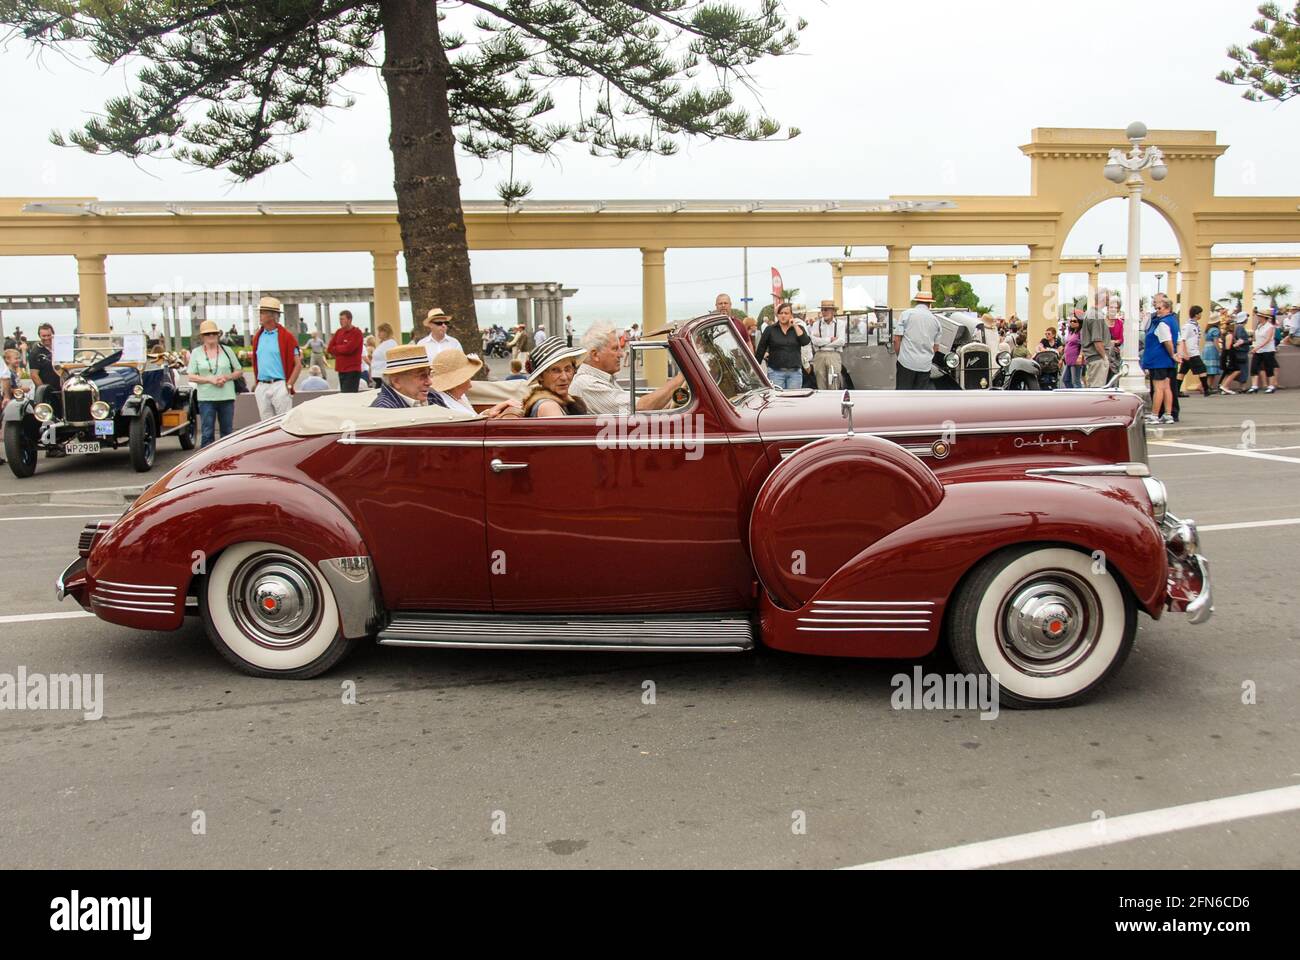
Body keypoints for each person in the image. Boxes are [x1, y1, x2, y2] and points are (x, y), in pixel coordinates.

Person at [569, 322, 684, 415]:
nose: (622, 354)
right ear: (595, 355)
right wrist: (681, 377)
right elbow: (641, 408)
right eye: (615, 349)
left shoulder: (601, 380)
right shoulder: (587, 384)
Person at [186, 319, 241, 446]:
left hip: (226, 397)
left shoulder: (227, 350)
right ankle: (206, 463)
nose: (211, 336)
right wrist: (209, 379)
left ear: (218, 335)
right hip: (206, 398)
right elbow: (191, 376)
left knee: (227, 433)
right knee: (207, 433)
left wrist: (226, 377)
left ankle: (227, 461)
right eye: (207, 334)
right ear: (202, 337)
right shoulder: (196, 352)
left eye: (213, 333)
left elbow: (239, 370)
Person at [251, 296, 301, 420]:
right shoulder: (258, 336)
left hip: (280, 385)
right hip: (262, 386)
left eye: (262, 313)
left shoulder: (287, 337)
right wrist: (256, 384)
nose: (260, 316)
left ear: (272, 316)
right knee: (265, 426)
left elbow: (298, 365)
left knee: (283, 423)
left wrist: (289, 386)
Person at [755, 302, 811, 390]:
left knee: (794, 400)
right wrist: (755, 368)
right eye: (781, 313)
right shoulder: (770, 330)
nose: (783, 316)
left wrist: (795, 326)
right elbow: (761, 349)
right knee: (778, 400)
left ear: (791, 315)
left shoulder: (798, 328)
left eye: (786, 313)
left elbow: (805, 341)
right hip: (775, 372)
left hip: (795, 373)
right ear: (777, 315)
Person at [893, 291, 942, 390]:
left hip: (906, 362)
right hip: (925, 366)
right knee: (920, 399)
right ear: (930, 304)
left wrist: (900, 355)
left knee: (902, 397)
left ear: (916, 302)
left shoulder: (906, 314)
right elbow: (935, 348)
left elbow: (897, 339)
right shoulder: (936, 321)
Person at [1142, 293, 1179, 424]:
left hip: (1159, 360)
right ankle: (1168, 414)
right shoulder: (1173, 321)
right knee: (1167, 387)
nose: (1157, 311)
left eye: (1159, 308)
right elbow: (1176, 340)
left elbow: (1167, 341)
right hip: (1167, 361)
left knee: (1158, 388)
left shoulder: (1162, 323)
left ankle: (1155, 414)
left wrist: (1172, 354)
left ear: (1167, 308)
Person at [809, 299, 846, 390]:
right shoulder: (816, 324)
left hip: (834, 354)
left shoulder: (840, 324)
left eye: (826, 310)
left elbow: (841, 341)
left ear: (833, 311)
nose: (824, 312)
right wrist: (830, 339)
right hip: (819, 355)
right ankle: (822, 403)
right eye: (822, 310)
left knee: (835, 381)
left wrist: (822, 344)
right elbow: (814, 341)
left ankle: (834, 403)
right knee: (820, 382)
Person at [326, 310, 364, 392]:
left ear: (349, 320)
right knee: (343, 393)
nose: (340, 321)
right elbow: (329, 348)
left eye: (342, 319)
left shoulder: (356, 333)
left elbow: (349, 349)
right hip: (341, 369)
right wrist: (342, 348)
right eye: (340, 319)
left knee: (349, 394)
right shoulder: (339, 332)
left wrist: (336, 348)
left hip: (352, 370)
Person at [1177, 305, 1211, 398]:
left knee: (1182, 372)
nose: (1201, 315)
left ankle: (1176, 390)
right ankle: (1206, 389)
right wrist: (1185, 353)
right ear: (1196, 314)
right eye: (1200, 313)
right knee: (1202, 369)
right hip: (1191, 353)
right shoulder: (1188, 326)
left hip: (1192, 351)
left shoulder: (1195, 326)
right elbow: (1182, 340)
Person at [1081, 290, 1113, 387]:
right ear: (1104, 299)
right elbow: (1097, 340)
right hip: (1097, 358)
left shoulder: (1090, 313)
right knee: (1097, 390)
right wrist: (1104, 357)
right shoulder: (1097, 316)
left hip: (1093, 358)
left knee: (1094, 388)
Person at [1247, 308, 1279, 394]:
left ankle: (1271, 386)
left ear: (1264, 317)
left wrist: (1257, 348)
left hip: (1267, 350)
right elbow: (1256, 338)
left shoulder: (1270, 327)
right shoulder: (1259, 326)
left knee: (1269, 368)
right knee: (1254, 367)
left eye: (1259, 316)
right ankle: (1254, 386)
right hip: (1258, 350)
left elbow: (1268, 339)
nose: (1258, 317)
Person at [1219, 313, 1251, 394]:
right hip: (1239, 354)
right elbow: (1231, 346)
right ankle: (1225, 386)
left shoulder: (1231, 332)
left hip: (1232, 354)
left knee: (1230, 371)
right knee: (1239, 370)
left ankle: (1224, 386)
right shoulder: (1239, 328)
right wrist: (1247, 341)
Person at [28, 322, 60, 391]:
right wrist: (44, 391)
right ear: (39, 336)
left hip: (62, 388)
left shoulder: (59, 347)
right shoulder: (35, 352)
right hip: (49, 392)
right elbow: (34, 375)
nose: (46, 338)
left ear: (53, 334)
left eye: (49, 335)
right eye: (44, 336)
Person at [1202, 318, 1222, 392]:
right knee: (1212, 371)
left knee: (1207, 370)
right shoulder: (1215, 330)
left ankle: (1205, 386)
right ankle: (1209, 386)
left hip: (1206, 348)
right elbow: (1215, 342)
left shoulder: (1207, 330)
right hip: (1212, 349)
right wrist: (1219, 351)